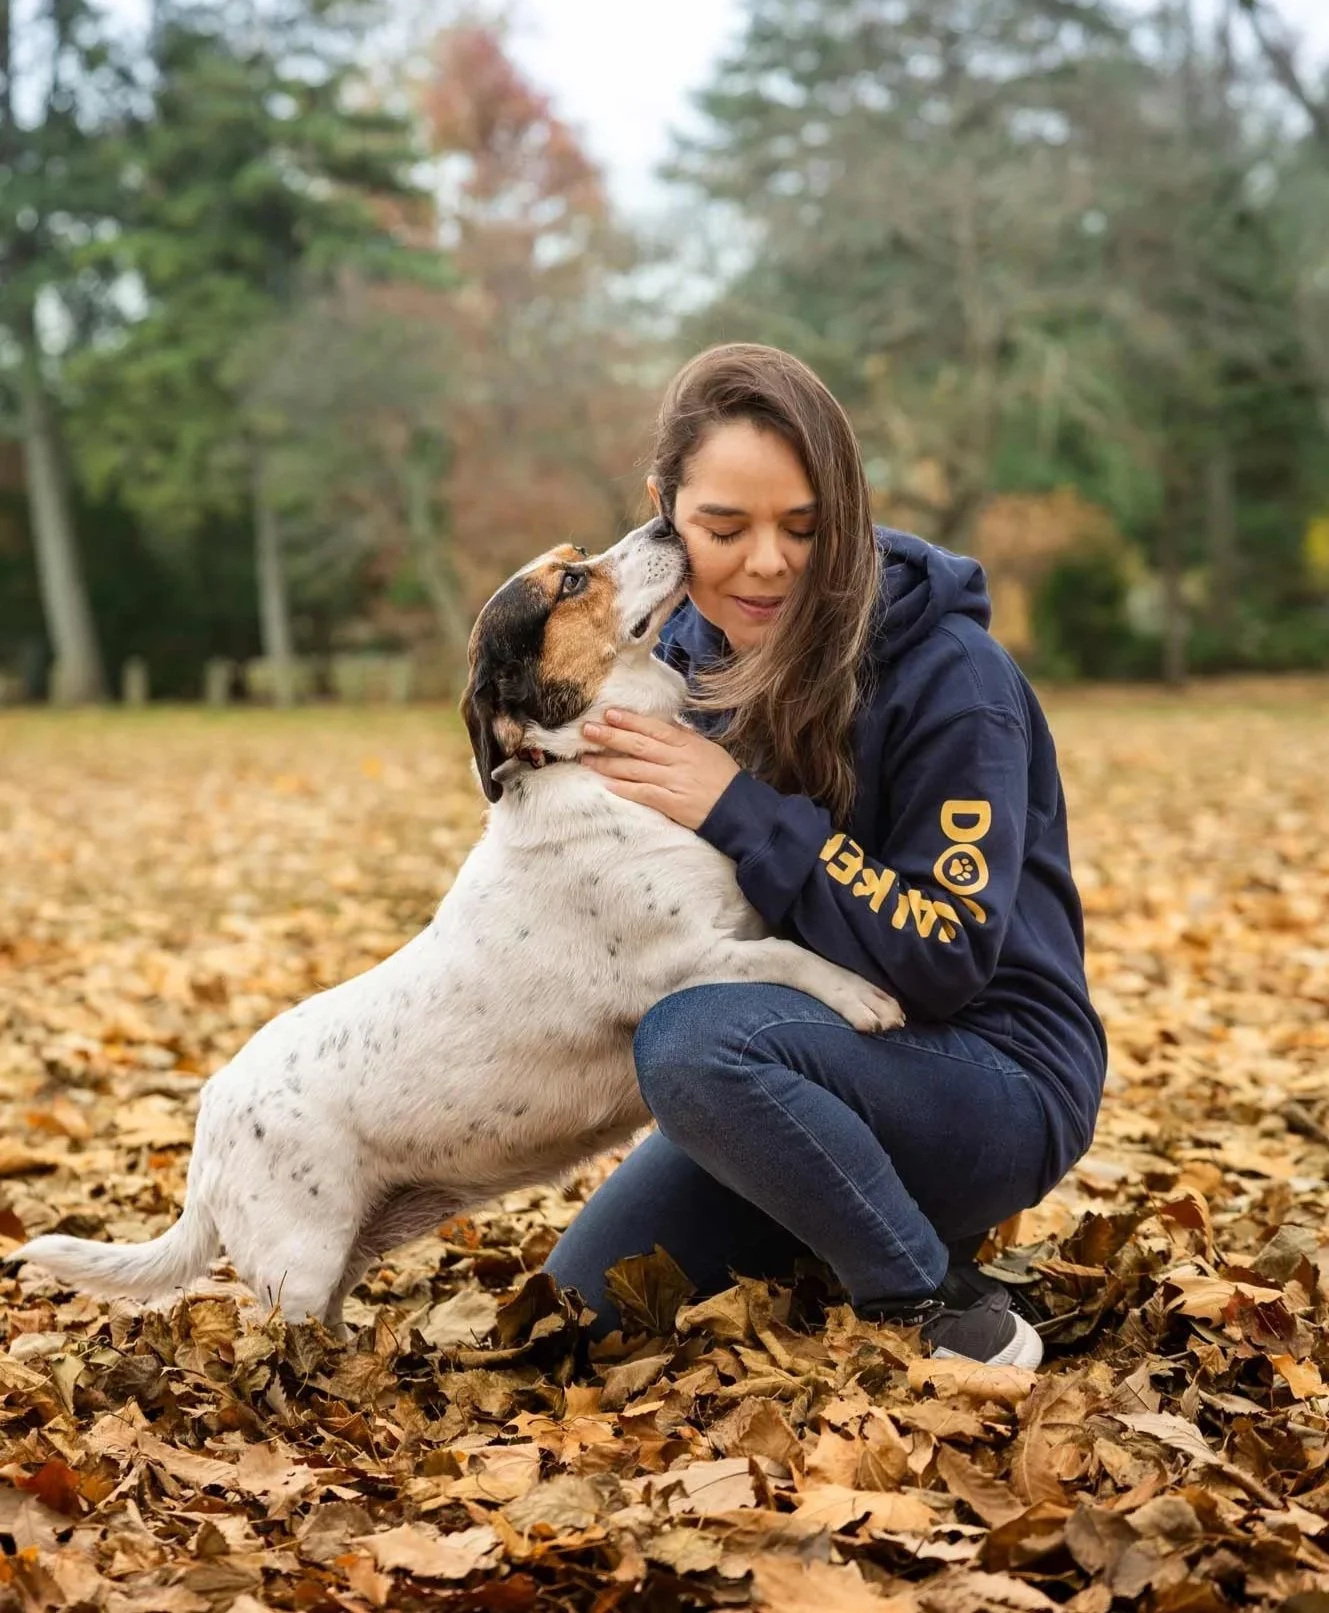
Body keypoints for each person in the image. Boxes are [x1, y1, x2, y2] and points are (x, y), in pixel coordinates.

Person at [542, 343, 1107, 1368]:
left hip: (990, 1075)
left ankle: (931, 1302)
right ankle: (836, 1220)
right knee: (584, 1311)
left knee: (693, 1043)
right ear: (665, 505)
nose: (766, 561)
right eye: (724, 526)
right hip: (795, 1056)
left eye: (805, 528)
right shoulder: (672, 659)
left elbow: (942, 959)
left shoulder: (953, 677)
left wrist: (740, 809)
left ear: (846, 513)